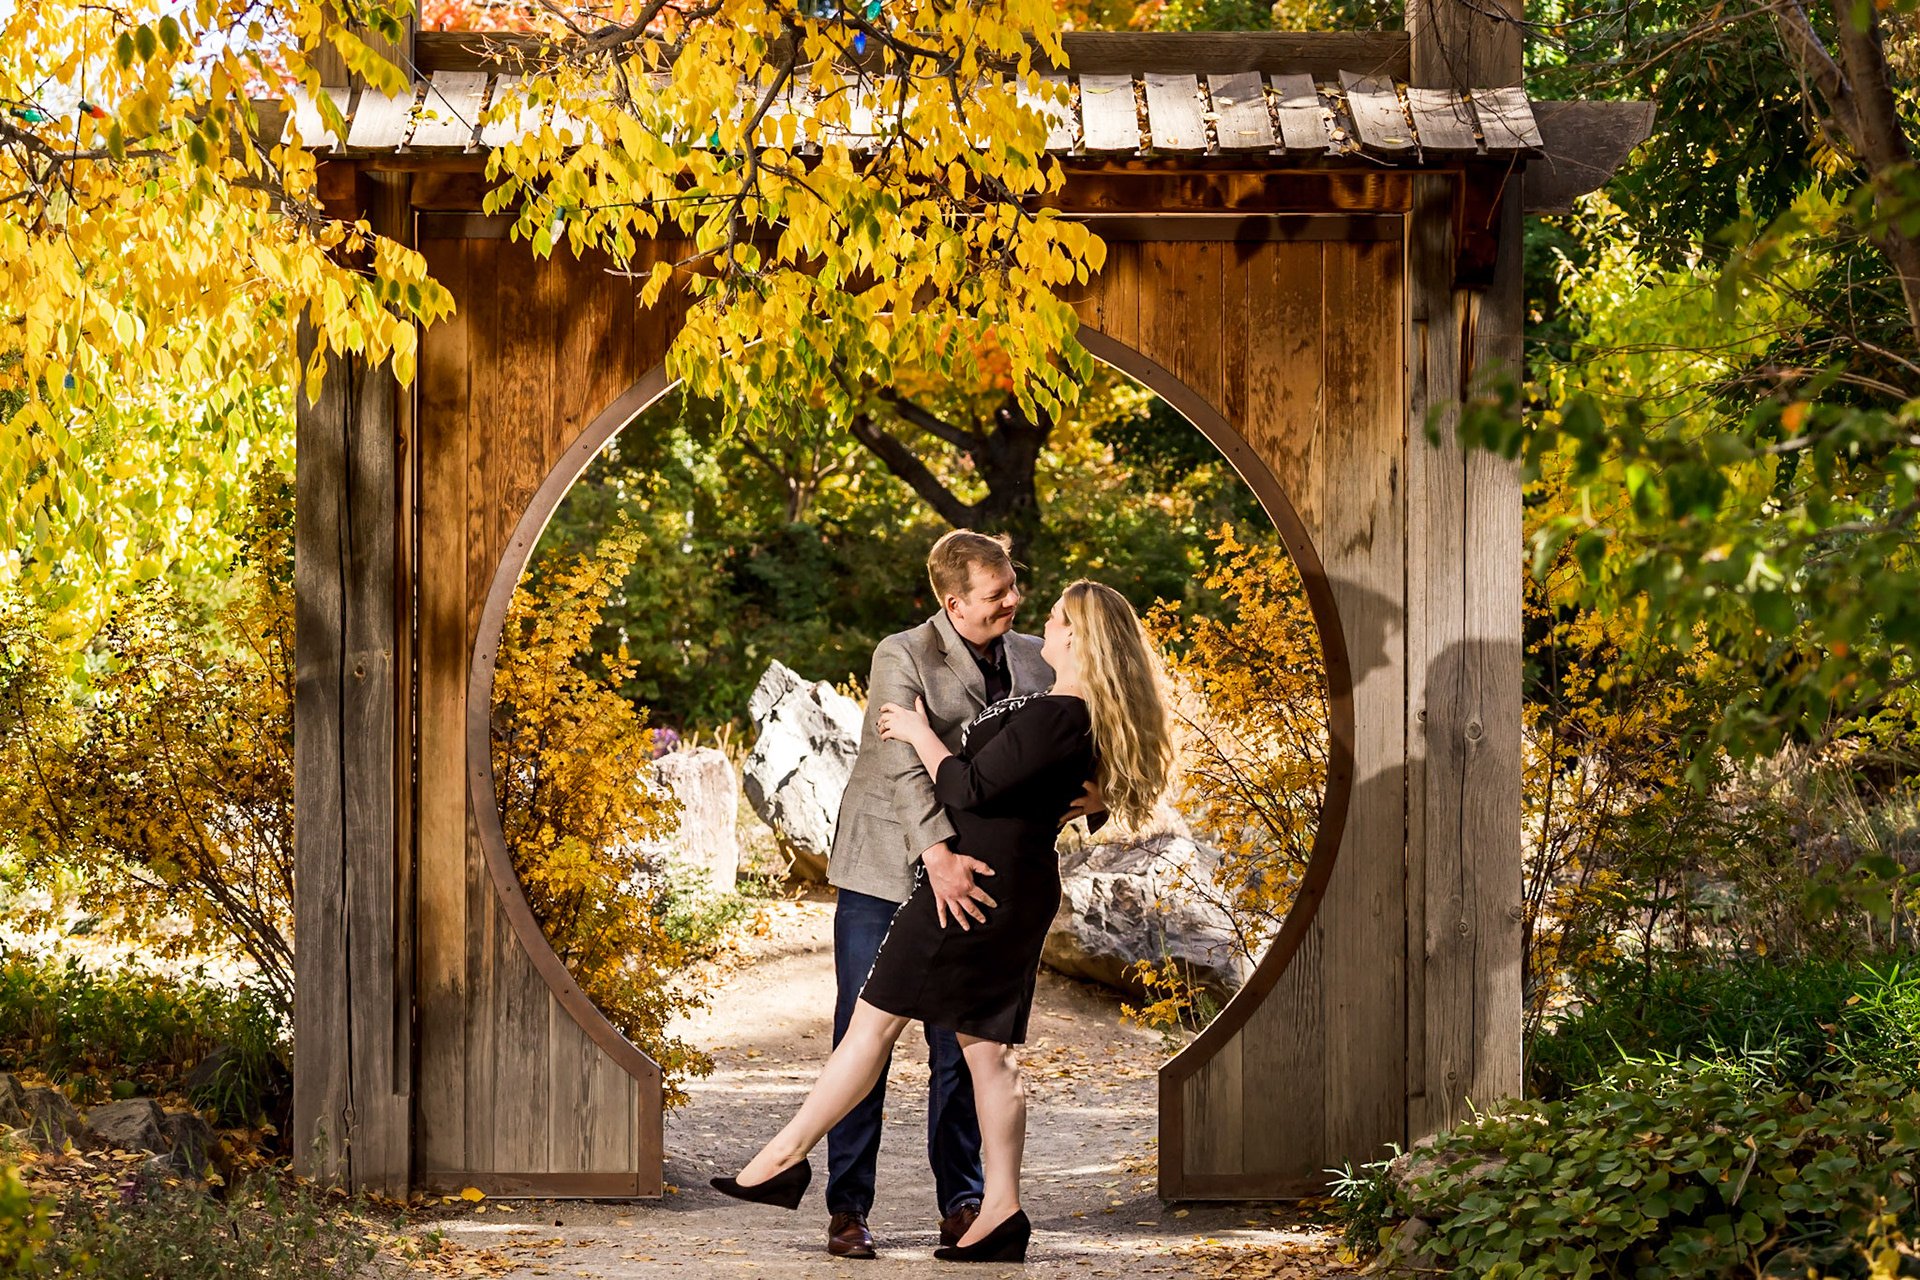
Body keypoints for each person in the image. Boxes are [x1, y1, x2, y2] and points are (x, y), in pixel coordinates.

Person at [712, 581, 1174, 1265]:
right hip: (1003, 884)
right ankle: (1001, 1214)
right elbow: (1033, 780)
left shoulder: (1063, 713)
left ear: (1077, 634)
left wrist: (921, 733)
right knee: (989, 1054)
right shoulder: (1068, 711)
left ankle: (784, 1159)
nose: (1039, 622)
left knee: (873, 1026)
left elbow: (966, 787)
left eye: (1052, 617)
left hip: (971, 891)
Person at [809, 529, 1062, 1259]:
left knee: (962, 1040)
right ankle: (848, 1208)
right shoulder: (902, 653)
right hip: (888, 870)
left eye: (1015, 586)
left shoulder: (1036, 655)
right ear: (953, 603)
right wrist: (938, 855)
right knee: (864, 1037)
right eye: (997, 594)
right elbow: (902, 764)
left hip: (979, 877)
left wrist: (1085, 798)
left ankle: (964, 1202)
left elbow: (1067, 738)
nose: (1014, 601)